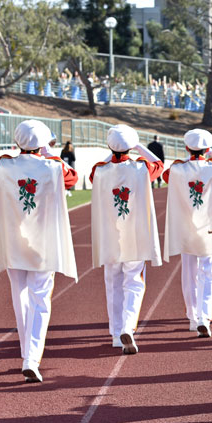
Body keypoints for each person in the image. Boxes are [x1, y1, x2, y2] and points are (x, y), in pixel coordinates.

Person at [0, 120, 78, 383]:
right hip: (42, 242)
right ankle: (31, 357)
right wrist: (49, 151)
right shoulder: (53, 166)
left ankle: (25, 351)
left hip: (14, 241)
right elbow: (72, 177)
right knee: (40, 299)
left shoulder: (4, 164)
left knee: (20, 297)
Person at [90, 125, 164, 354]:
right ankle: (127, 327)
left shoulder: (100, 170)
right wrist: (138, 146)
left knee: (112, 282)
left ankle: (115, 334)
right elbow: (160, 165)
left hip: (111, 234)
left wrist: (114, 150)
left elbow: (93, 173)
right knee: (133, 282)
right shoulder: (142, 167)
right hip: (135, 235)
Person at [162, 129, 212, 337]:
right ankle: (205, 317)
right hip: (210, 229)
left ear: (187, 148)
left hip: (187, 228)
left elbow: (165, 175)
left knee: (189, 274)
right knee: (208, 273)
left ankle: (193, 317)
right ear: (207, 149)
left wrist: (189, 158)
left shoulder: (177, 169)